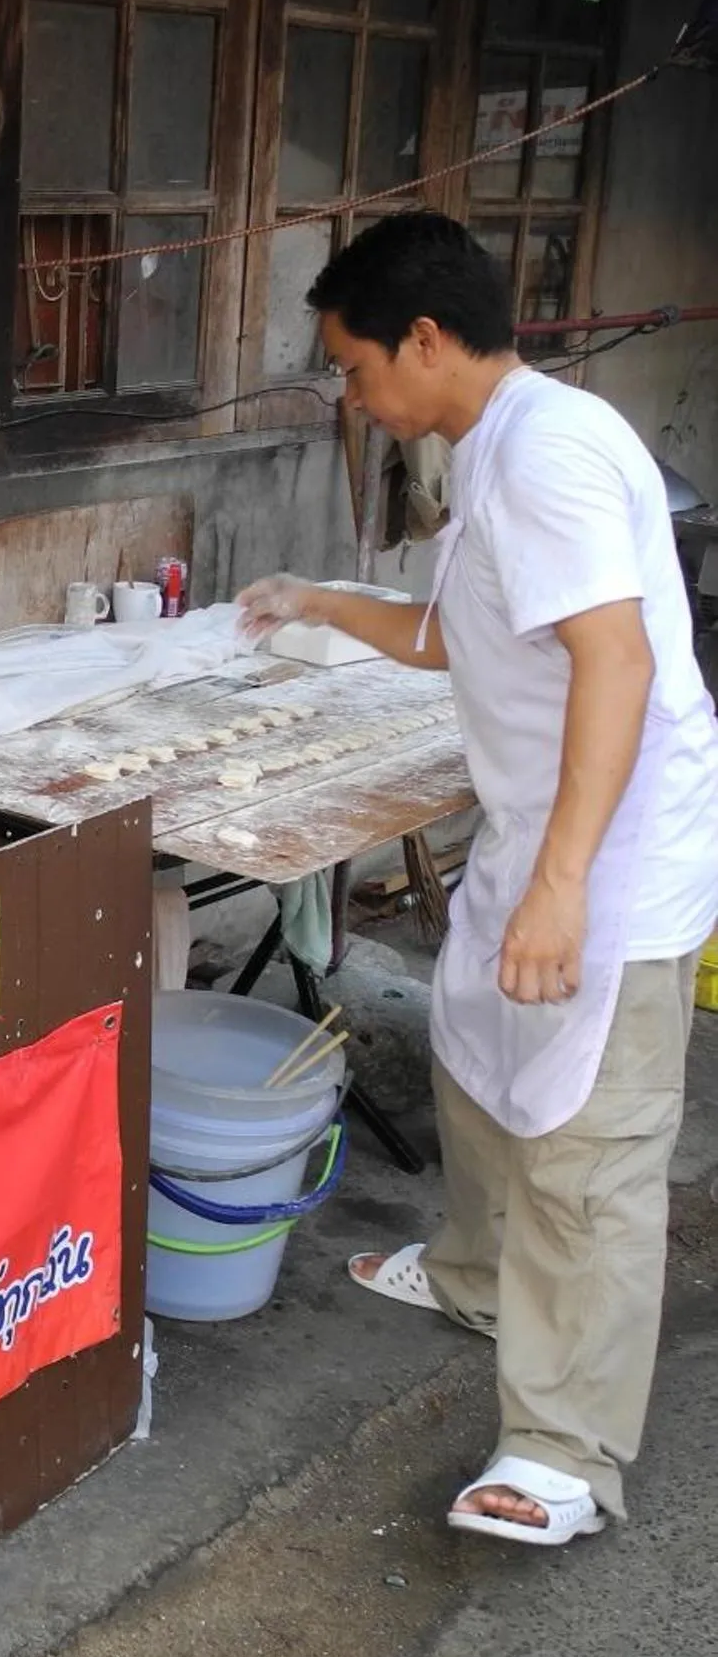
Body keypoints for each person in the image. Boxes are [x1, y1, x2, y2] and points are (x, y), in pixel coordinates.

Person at [238, 212, 718, 1546]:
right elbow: (454, 635)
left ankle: (565, 1451)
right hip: (541, 826)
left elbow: (615, 665)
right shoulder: (494, 443)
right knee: (482, 1058)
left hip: (612, 847)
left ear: (428, 340)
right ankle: (475, 1276)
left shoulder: (551, 455)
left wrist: (564, 882)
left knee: (590, 1146)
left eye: (356, 365)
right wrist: (320, 598)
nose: (355, 394)